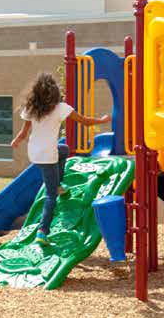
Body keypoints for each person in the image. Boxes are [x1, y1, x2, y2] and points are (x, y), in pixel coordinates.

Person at [10, 72, 110, 245]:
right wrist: (102, 120)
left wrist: (16, 141)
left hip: (35, 153)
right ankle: (43, 231)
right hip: (48, 155)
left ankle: (58, 185)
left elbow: (24, 132)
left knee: (63, 150)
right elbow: (84, 121)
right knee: (51, 195)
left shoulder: (32, 108)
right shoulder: (61, 108)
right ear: (55, 92)